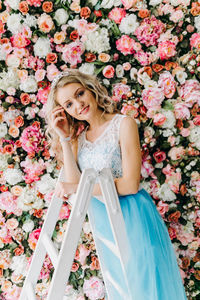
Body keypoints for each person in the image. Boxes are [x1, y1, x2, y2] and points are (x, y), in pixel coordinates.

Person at [45, 69, 187, 300]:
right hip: (103, 219)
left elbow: (130, 184)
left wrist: (79, 188)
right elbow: (72, 183)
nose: (78, 105)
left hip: (133, 214)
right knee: (122, 288)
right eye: (69, 104)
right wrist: (65, 138)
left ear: (90, 89)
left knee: (145, 283)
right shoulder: (78, 139)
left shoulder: (123, 124)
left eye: (79, 94)